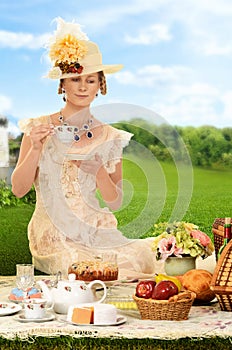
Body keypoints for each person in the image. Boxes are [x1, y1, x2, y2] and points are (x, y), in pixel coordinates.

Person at [11, 17, 161, 279]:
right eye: (75, 79)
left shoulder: (110, 137)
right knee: (87, 272)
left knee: (137, 261)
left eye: (90, 81)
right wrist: (35, 148)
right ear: (63, 84)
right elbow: (19, 189)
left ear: (100, 86)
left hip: (95, 229)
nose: (82, 87)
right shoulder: (37, 128)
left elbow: (116, 202)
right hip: (53, 235)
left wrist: (99, 171)